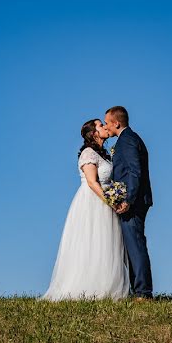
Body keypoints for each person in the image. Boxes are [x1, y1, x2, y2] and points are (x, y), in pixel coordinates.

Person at [42, 119, 130, 301]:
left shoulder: (105, 154)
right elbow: (91, 182)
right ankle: (87, 288)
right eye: (100, 125)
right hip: (93, 201)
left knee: (107, 242)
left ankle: (108, 286)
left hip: (106, 199)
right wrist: (110, 201)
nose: (105, 127)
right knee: (93, 241)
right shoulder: (88, 153)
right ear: (93, 133)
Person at [104, 106, 154, 300]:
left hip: (134, 201)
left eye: (107, 122)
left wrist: (128, 200)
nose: (107, 126)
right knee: (131, 245)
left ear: (116, 123)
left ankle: (143, 292)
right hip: (133, 199)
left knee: (135, 245)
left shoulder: (128, 140)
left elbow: (135, 172)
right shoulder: (126, 139)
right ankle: (138, 290)